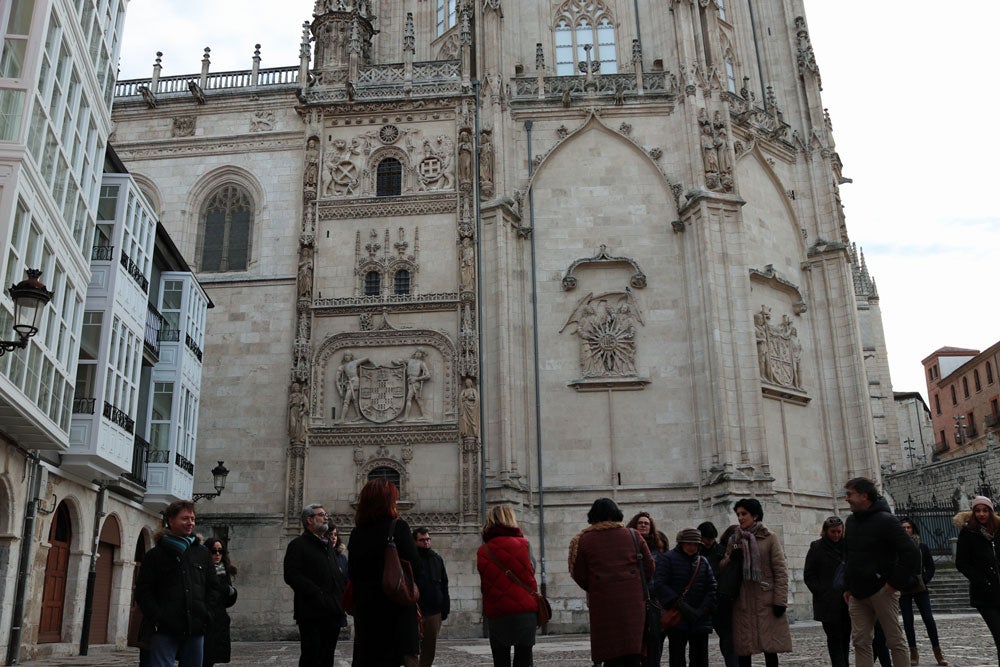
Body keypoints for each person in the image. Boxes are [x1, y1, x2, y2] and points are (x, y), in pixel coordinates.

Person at [843, 477, 921, 667]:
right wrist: (847, 586)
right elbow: (848, 556)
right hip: (857, 593)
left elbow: (911, 553)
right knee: (860, 642)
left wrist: (893, 583)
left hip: (882, 591)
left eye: (849, 494)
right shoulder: (851, 521)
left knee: (894, 640)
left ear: (864, 496)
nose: (846, 499)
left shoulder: (887, 520)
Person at [135, 500, 222, 667]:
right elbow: (143, 591)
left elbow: (213, 587)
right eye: (185, 518)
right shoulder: (156, 555)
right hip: (164, 628)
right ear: (171, 521)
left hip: (195, 626)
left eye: (193, 519)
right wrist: (158, 616)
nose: (190, 523)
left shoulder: (202, 553)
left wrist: (207, 614)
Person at [569, 497, 653, 667]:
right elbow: (650, 567)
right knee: (632, 653)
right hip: (633, 605)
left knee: (611, 654)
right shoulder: (633, 535)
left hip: (603, 604)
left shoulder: (584, 540)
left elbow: (579, 574)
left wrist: (597, 587)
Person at [348, 479, 422, 667]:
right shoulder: (398, 527)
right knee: (401, 657)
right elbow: (416, 567)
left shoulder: (357, 533)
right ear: (388, 502)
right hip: (396, 608)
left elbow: (352, 573)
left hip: (367, 613)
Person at [723, 498, 792, 667]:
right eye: (738, 514)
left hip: (766, 600)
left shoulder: (769, 537)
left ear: (755, 515)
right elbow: (723, 566)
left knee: (770, 648)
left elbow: (780, 571)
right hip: (743, 600)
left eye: (744, 514)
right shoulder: (734, 539)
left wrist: (780, 601)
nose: (740, 518)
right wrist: (732, 559)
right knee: (744, 649)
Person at [283, 503, 347, 667]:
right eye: (321, 514)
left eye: (326, 514)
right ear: (309, 520)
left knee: (327, 656)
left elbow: (335, 574)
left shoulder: (327, 545)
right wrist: (317, 594)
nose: (326, 517)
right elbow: (292, 575)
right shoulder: (298, 545)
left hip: (332, 610)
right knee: (312, 656)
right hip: (312, 611)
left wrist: (340, 596)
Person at [477, 505, 540, 667]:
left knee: (501, 660)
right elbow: (532, 569)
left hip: (498, 612)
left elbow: (485, 579)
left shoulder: (484, 550)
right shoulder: (524, 544)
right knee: (524, 658)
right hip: (524, 610)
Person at [652, 528, 717, 667]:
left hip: (700, 619)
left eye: (695, 544)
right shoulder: (668, 559)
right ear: (681, 543)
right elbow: (660, 584)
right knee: (677, 657)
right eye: (688, 543)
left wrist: (702, 609)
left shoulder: (703, 562)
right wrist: (679, 604)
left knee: (700, 659)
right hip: (677, 617)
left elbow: (712, 587)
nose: (692, 547)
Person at [954, 495, 1000, 666]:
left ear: (990, 512)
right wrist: (980, 580)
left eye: (985, 510)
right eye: (978, 510)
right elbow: (961, 563)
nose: (981, 514)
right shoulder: (969, 533)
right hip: (985, 595)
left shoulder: (998, 530)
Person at [899, 517, 947, 666]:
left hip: (920, 586)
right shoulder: (896, 547)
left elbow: (930, 567)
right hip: (903, 587)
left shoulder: (923, 546)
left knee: (928, 619)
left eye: (908, 527)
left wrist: (923, 579)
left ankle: (938, 652)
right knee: (908, 621)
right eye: (903, 528)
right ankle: (913, 652)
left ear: (913, 529)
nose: (906, 530)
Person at [804, 516, 850, 667]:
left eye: (838, 532)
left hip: (846, 600)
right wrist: (821, 591)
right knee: (834, 638)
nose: (836, 535)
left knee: (845, 638)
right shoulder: (817, 547)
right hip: (827, 602)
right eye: (833, 532)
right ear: (825, 531)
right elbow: (809, 575)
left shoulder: (847, 546)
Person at [702, 522, 738, 667]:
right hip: (702, 602)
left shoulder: (722, 551)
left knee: (728, 639)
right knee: (699, 643)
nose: (708, 542)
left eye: (711, 539)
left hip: (721, 601)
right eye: (706, 538)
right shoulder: (695, 552)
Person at [413, 527, 450, 667]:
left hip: (434, 610)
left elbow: (444, 583)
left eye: (428, 539)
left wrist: (445, 607)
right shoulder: (411, 560)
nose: (426, 542)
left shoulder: (436, 559)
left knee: (429, 648)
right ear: (415, 541)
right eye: (422, 540)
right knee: (412, 648)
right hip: (416, 609)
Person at [202, 538, 237, 667]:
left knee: (211, 659)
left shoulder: (224, 571)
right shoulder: (202, 570)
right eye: (213, 551)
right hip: (205, 619)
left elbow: (226, 600)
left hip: (219, 619)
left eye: (220, 551)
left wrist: (232, 592)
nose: (217, 554)